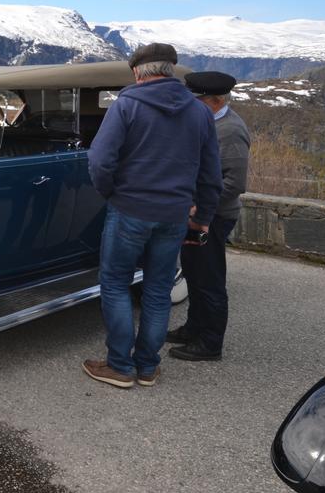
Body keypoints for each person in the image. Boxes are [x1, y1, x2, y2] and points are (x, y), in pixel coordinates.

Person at [82, 43, 222, 389]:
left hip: (129, 209)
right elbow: (210, 176)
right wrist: (202, 218)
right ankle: (146, 366)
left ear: (136, 72)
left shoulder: (126, 105)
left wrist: (111, 193)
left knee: (115, 284)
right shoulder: (200, 112)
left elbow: (100, 161)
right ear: (171, 70)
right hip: (174, 214)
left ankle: (119, 366)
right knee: (158, 291)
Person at [167, 72, 251, 362]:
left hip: (212, 216)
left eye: (198, 99)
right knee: (193, 272)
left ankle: (211, 342)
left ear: (215, 101)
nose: (193, 104)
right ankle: (194, 328)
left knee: (210, 278)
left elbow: (234, 183)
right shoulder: (206, 122)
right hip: (196, 213)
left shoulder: (230, 130)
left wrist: (199, 208)